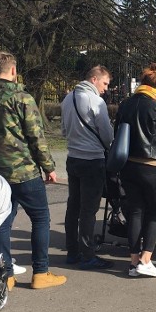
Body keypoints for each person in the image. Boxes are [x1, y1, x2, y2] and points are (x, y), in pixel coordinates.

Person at [0, 52, 66, 290]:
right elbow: (36, 137)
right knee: (41, 218)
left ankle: (7, 274)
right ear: (13, 70)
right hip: (23, 170)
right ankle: (41, 272)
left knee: (3, 219)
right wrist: (49, 167)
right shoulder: (22, 97)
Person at [114, 63, 156, 278]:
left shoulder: (125, 104)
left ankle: (132, 262)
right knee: (155, 211)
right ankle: (146, 259)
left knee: (135, 212)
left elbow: (117, 133)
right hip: (150, 166)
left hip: (128, 164)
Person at [60, 65, 114, 271]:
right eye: (105, 83)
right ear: (94, 79)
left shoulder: (68, 98)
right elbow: (107, 134)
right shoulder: (95, 101)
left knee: (73, 206)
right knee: (89, 210)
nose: (105, 88)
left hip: (72, 158)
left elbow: (64, 130)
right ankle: (88, 254)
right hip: (92, 159)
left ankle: (72, 251)